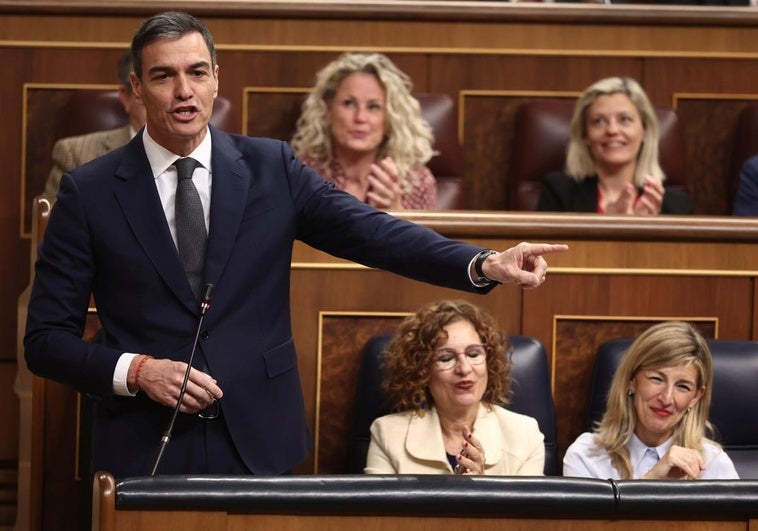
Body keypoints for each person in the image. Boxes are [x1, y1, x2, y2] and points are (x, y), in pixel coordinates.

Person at [24, 11, 567, 480]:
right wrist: (138, 371)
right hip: (144, 444)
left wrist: (483, 262)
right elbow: (46, 341)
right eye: (164, 76)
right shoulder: (89, 191)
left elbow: (375, 234)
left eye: (196, 73)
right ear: (138, 90)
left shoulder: (271, 168)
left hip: (259, 439)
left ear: (217, 80)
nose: (183, 91)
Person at [365, 299, 545, 475]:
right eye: (446, 358)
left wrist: (482, 491)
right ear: (421, 370)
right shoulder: (387, 434)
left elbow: (529, 506)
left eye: (474, 354)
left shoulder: (525, 435)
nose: (464, 369)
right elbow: (380, 506)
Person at [563, 321, 738, 480]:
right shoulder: (585, 456)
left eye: (682, 387)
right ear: (631, 379)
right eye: (657, 379)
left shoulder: (714, 463)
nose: (667, 398)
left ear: (695, 397)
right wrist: (654, 479)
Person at [290, 52, 437, 210]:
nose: (360, 117)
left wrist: (397, 215)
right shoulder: (300, 175)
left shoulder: (416, 181)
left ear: (390, 118)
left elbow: (426, 235)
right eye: (349, 103)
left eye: (373, 107)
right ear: (327, 110)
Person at [536, 76, 693, 215]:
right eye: (599, 121)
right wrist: (606, 224)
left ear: (644, 130)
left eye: (624, 119)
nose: (612, 130)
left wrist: (648, 229)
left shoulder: (676, 204)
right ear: (585, 135)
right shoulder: (558, 192)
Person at [43, 49, 146, 196]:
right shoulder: (75, 155)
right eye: (144, 92)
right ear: (125, 96)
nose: (160, 101)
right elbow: (55, 218)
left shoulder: (188, 158)